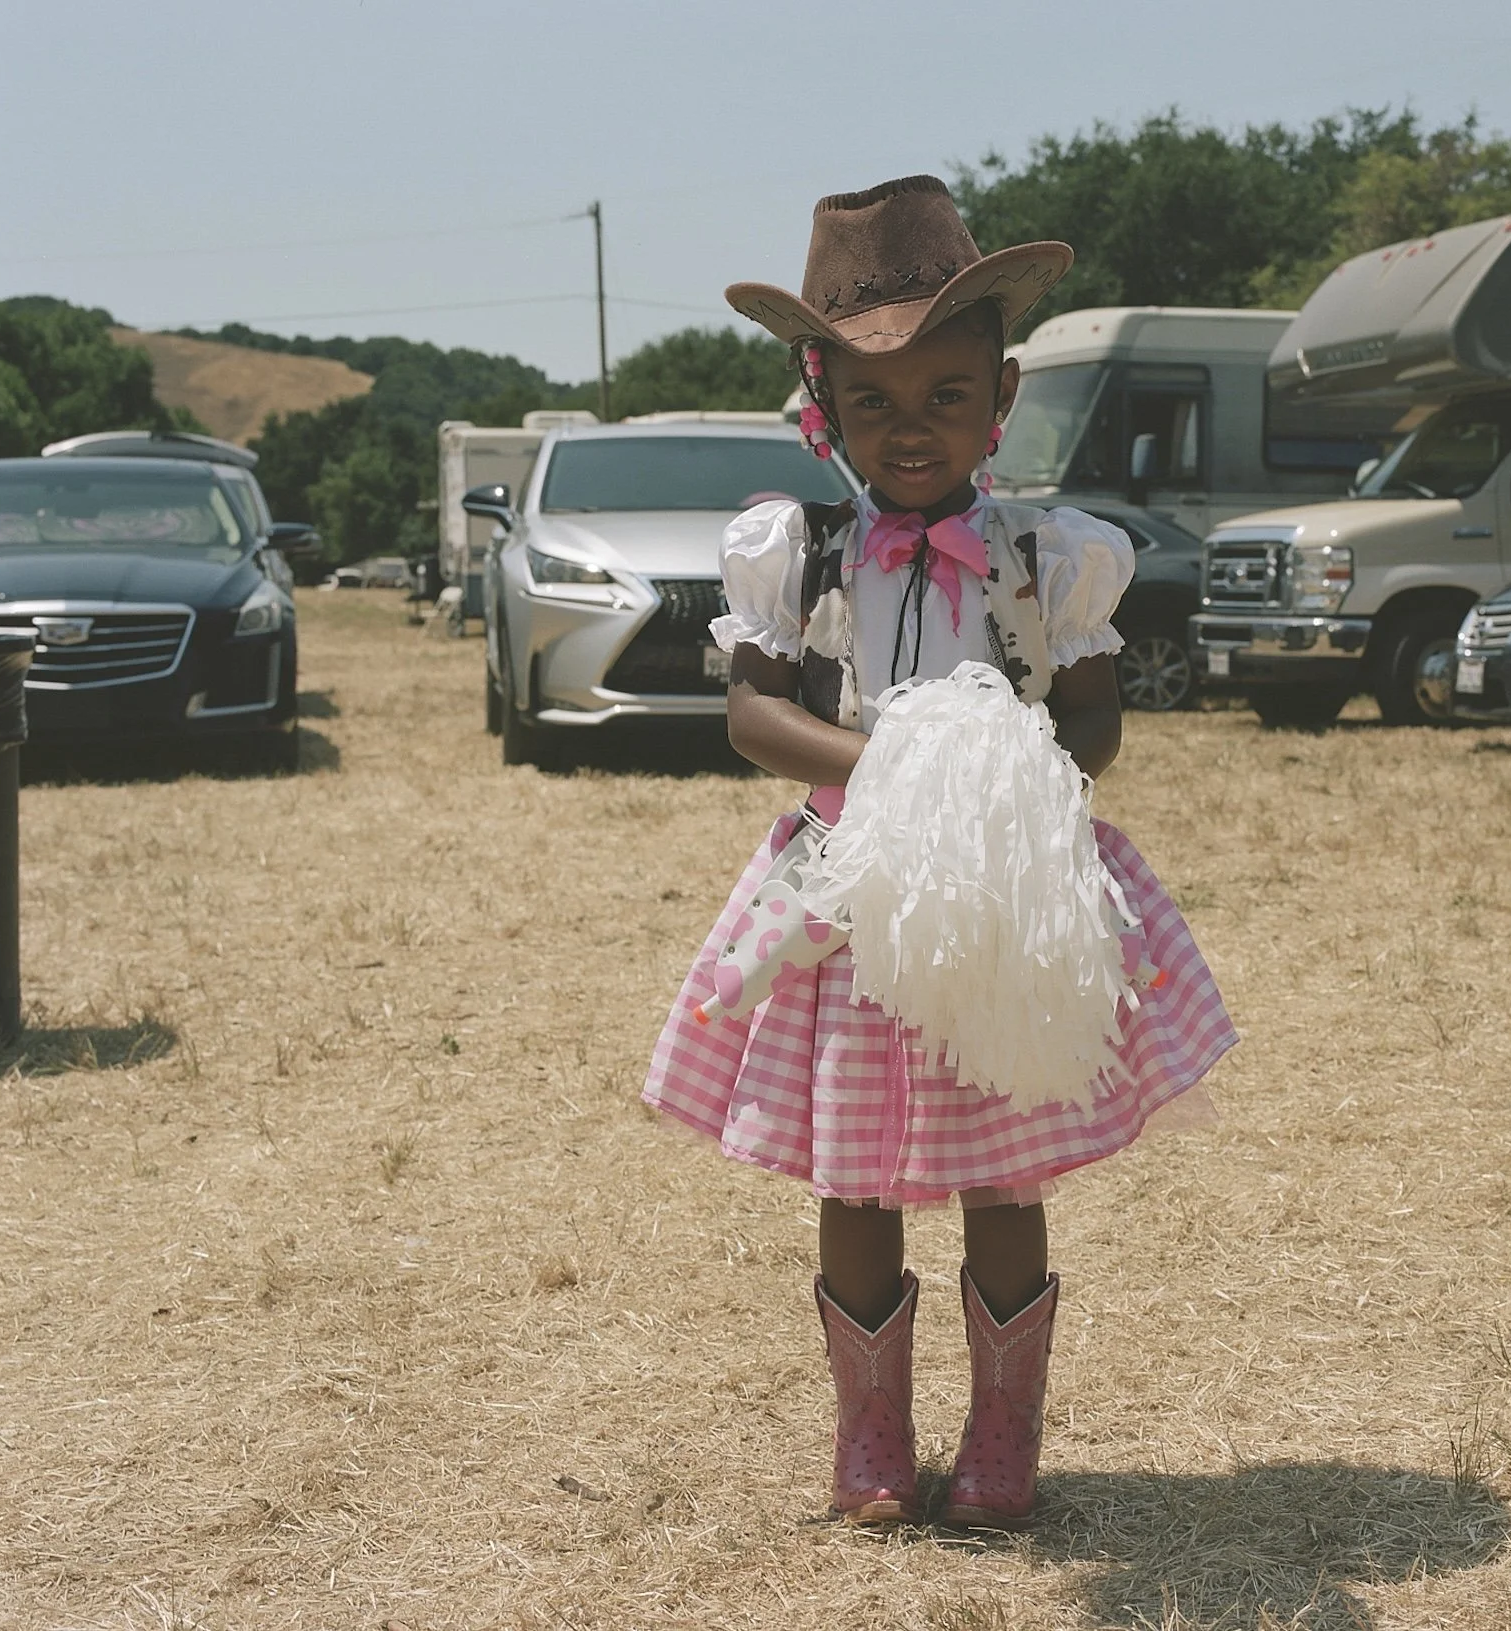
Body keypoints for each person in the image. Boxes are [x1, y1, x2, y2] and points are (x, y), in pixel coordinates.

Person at [643, 176, 1236, 1529]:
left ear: (1001, 390)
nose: (911, 432)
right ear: (824, 406)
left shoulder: (1047, 555)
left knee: (1001, 1166)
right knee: (854, 1171)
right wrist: (897, 768)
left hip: (1002, 895)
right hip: (854, 897)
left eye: (944, 398)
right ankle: (869, 1442)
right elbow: (752, 715)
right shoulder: (799, 552)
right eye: (874, 405)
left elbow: (1091, 721)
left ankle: (1002, 1442)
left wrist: (1006, 774)